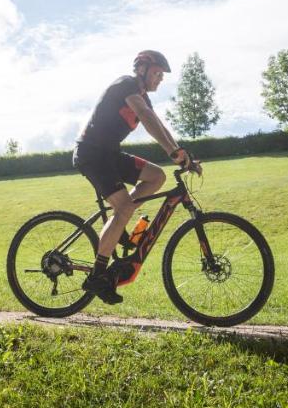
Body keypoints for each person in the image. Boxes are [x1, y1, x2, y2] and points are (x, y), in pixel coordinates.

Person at [74, 50, 199, 304]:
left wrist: (183, 155)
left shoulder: (143, 97)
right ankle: (98, 276)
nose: (160, 79)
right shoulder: (127, 85)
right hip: (92, 154)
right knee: (124, 209)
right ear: (141, 69)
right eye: (157, 73)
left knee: (156, 176)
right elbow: (145, 116)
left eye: (162, 75)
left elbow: (158, 124)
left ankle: (120, 217)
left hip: (110, 154)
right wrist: (173, 151)